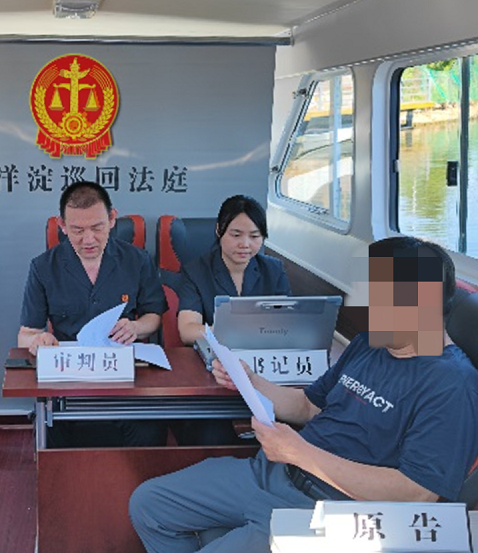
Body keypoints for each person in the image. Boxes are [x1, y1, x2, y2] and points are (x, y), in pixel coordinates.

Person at [130, 236, 478, 553]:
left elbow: (416, 492)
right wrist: (249, 380)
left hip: (326, 510)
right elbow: (308, 406)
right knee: (148, 505)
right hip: (273, 473)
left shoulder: (452, 384)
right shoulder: (370, 345)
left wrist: (302, 453)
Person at [18, 181, 168, 447]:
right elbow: (27, 334)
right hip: (68, 380)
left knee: (150, 430)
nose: (88, 239)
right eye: (77, 230)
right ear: (62, 226)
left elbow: (154, 317)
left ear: (112, 219)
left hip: (124, 376)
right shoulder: (43, 268)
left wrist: (136, 327)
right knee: (49, 434)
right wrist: (37, 341)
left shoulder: (137, 260)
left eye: (97, 228)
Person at [173, 195, 291, 445]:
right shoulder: (196, 271)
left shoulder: (274, 270)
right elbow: (187, 329)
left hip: (263, 370)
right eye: (236, 235)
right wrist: (243, 329)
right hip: (215, 370)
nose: (245, 244)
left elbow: (284, 324)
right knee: (211, 436)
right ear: (219, 230)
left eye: (255, 236)